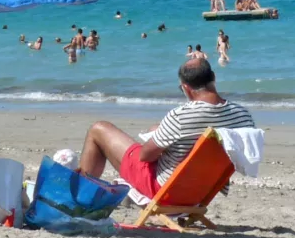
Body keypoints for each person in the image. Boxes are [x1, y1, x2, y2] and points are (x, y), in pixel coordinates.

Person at [77, 59, 255, 198]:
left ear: (186, 87)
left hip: (166, 190)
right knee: (158, 129)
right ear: (214, 77)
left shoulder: (180, 115)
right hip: (203, 191)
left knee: (98, 129)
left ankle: (79, 197)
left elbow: (145, 156)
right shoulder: (243, 116)